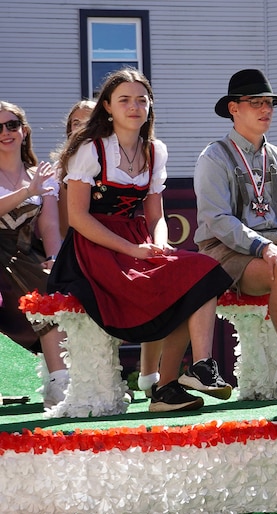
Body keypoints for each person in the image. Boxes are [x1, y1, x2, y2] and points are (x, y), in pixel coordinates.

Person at [48, 68, 234, 412]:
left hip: (137, 240)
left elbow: (156, 216)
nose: (134, 107)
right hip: (95, 249)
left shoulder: (154, 151)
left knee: (201, 273)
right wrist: (133, 249)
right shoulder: (91, 150)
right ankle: (168, 385)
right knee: (187, 282)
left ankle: (193, 371)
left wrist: (160, 243)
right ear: (107, 106)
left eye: (141, 100)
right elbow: (78, 218)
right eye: (124, 100)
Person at [193, 68, 277, 402]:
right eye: (256, 102)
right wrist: (264, 246)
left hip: (274, 251)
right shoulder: (214, 156)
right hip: (224, 252)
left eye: (269, 103)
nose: (266, 109)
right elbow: (218, 219)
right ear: (234, 108)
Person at [0, 101, 69, 408]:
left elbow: (50, 225)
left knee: (52, 293)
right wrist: (29, 191)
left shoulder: (42, 174)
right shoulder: (34, 183)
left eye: (12, 125)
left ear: (24, 131)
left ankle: (60, 385)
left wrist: (54, 258)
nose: (5, 132)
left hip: (23, 255)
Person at [51, 100, 96, 239]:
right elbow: (62, 219)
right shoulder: (59, 168)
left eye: (88, 122)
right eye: (76, 123)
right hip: (72, 242)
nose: (82, 128)